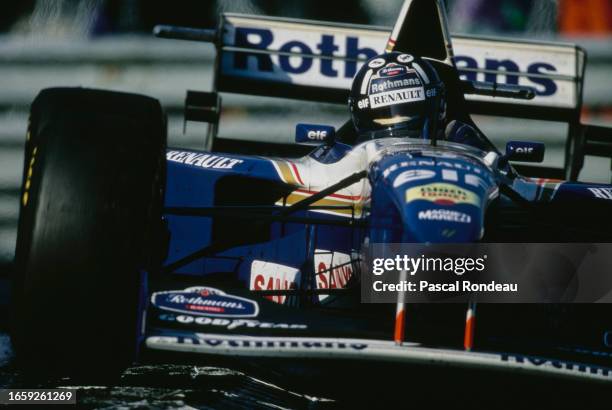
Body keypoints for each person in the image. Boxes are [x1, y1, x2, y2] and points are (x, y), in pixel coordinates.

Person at [348, 51, 490, 151]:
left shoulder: (462, 143)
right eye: (384, 118)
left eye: (407, 113)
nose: (399, 127)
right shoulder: (350, 161)